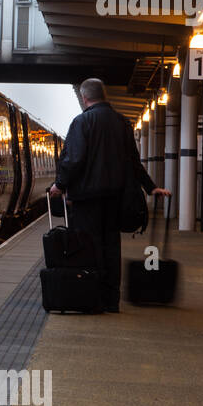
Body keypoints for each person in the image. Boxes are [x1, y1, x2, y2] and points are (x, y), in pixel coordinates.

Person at [49, 78, 171, 312]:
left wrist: (60, 185)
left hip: (86, 201)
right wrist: (151, 186)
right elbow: (134, 162)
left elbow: (74, 159)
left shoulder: (82, 122)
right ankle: (111, 300)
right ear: (105, 95)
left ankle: (90, 297)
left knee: (88, 247)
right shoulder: (122, 123)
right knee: (111, 247)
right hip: (116, 199)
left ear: (85, 98)